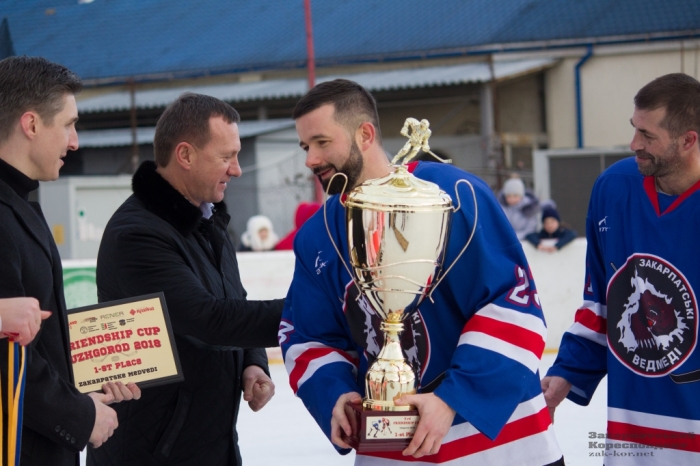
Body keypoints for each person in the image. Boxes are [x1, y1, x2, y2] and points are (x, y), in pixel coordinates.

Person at [280, 79, 563, 465]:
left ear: (365, 134)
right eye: (304, 147)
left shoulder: (454, 195)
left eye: (321, 142)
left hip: (504, 447)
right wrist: (336, 395)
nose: (310, 159)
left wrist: (452, 399)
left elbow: (513, 305)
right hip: (392, 453)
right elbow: (305, 334)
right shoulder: (317, 235)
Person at [89, 93, 284, 466]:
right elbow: (206, 319)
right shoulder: (137, 234)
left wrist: (252, 362)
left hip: (211, 443)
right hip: (154, 452)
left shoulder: (207, 220)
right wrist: (314, 313)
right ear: (186, 155)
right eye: (226, 157)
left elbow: (234, 303)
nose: (237, 169)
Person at [542, 73, 700, 464]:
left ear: (688, 140)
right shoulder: (614, 188)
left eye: (648, 136)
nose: (634, 145)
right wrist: (566, 374)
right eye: (634, 130)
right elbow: (601, 302)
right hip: (632, 434)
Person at [0, 56, 139, 466]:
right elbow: (7, 357)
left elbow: (36, 337)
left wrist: (92, 371)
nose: (74, 141)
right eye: (69, 124)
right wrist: (78, 415)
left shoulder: (18, 204)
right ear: (31, 125)